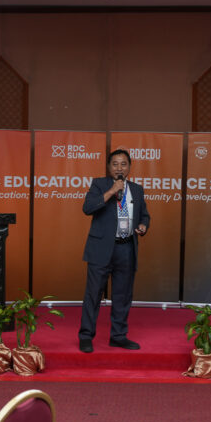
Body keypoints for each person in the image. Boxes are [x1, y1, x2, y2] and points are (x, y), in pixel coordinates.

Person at [79, 149, 150, 353]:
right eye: (115, 164)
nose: (119, 168)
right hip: (101, 248)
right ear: (109, 167)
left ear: (129, 167)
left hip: (126, 248)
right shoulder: (99, 184)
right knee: (93, 294)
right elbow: (88, 208)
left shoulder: (137, 189)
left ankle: (118, 336)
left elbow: (144, 215)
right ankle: (86, 336)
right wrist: (112, 191)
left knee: (122, 295)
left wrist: (143, 226)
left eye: (123, 164)